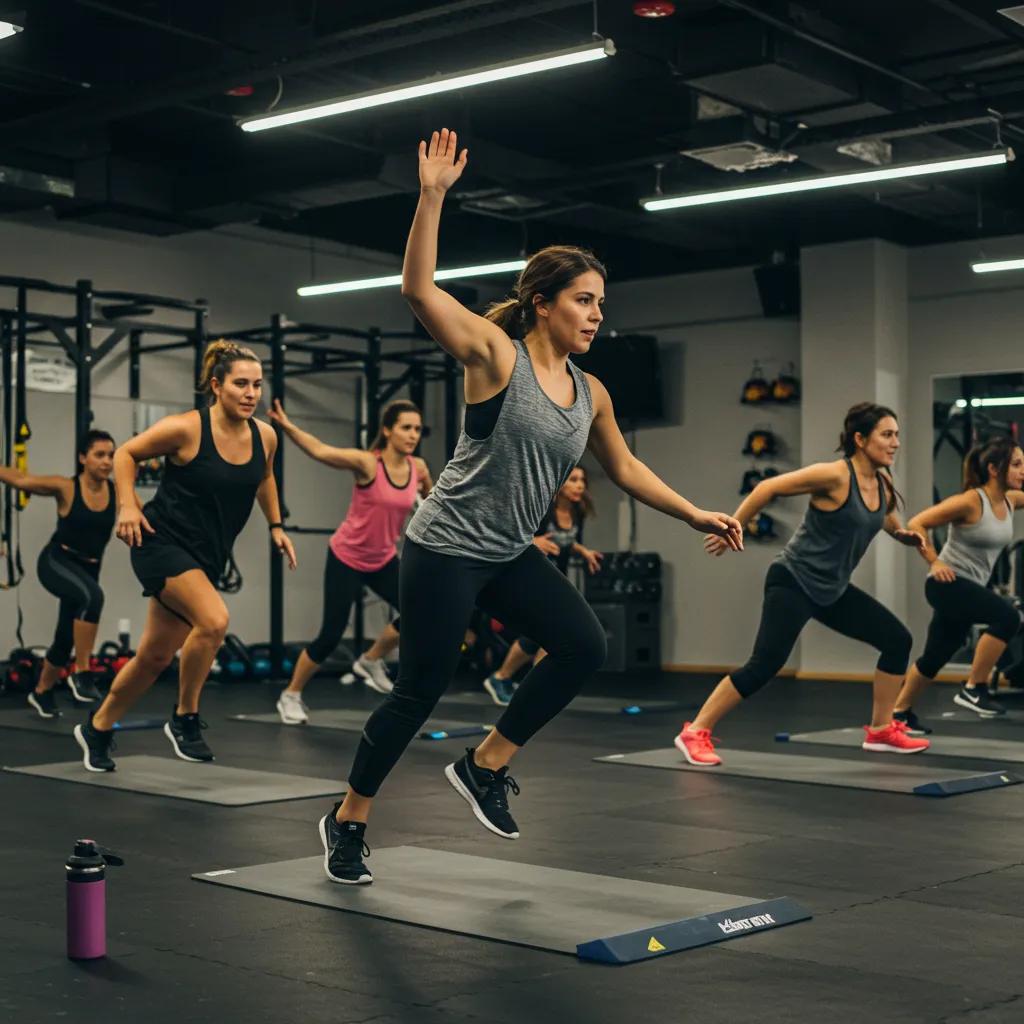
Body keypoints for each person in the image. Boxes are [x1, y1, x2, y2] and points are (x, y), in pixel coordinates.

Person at [316, 127, 742, 885]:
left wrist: (695, 512)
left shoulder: (593, 393)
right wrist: (432, 197)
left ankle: (486, 765)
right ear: (541, 305)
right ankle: (348, 818)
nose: (596, 314)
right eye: (583, 301)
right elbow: (417, 290)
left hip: (507, 552)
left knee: (583, 644)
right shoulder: (494, 355)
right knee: (418, 692)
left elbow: (628, 468)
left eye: (601, 304)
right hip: (445, 546)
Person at [72, 340, 296, 772]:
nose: (251, 394)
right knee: (213, 621)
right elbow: (126, 453)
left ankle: (97, 727)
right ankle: (185, 717)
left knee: (153, 658)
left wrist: (276, 525)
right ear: (217, 386)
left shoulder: (264, 436)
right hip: (159, 542)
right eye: (241, 385)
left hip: (205, 556)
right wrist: (128, 504)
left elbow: (264, 477)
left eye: (257, 385)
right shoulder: (187, 429)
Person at [674, 402, 932, 767]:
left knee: (897, 639)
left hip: (832, 589)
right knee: (764, 665)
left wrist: (902, 535)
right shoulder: (834, 476)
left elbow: (882, 514)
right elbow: (768, 487)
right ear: (860, 439)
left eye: (897, 435)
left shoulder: (881, 481)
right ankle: (695, 731)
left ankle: (880, 730)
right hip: (793, 581)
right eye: (887, 434)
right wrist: (733, 524)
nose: (895, 443)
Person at [268, 398, 433, 724]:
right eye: (405, 428)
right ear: (387, 430)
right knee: (330, 634)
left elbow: (432, 503)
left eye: (417, 429)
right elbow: (320, 451)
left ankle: (370, 660)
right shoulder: (368, 464)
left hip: (383, 558)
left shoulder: (420, 468)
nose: (413, 435)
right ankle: (291, 694)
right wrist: (287, 427)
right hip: (347, 556)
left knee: (421, 611)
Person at [893, 437, 1024, 732]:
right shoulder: (969, 501)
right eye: (1016, 464)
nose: (1022, 471)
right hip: (947, 584)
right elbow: (916, 523)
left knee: (935, 657)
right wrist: (935, 562)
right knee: (1008, 617)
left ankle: (898, 714)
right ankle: (973, 687)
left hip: (965, 589)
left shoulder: (1010, 500)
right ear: (994, 468)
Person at [0, 430, 116, 717]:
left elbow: (145, 516)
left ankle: (42, 692)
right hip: (56, 562)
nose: (106, 461)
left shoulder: (117, 492)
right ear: (83, 458)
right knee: (93, 598)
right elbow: (21, 480)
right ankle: (83, 673)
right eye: (99, 455)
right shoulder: (66, 487)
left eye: (111, 455)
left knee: (65, 637)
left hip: (89, 568)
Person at [483, 465, 602, 705]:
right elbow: (516, 535)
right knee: (543, 633)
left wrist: (583, 551)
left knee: (554, 636)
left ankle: (533, 686)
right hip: (530, 578)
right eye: (574, 479)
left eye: (583, 480)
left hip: (556, 580)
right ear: (560, 484)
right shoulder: (544, 511)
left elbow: (566, 542)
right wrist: (534, 541)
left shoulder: (577, 513)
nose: (580, 485)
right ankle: (500, 677)